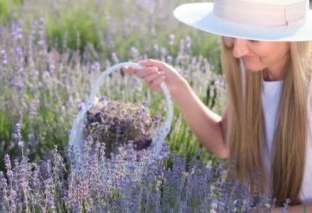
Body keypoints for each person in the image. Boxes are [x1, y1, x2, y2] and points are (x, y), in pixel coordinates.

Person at [124, 0, 312, 211]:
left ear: (292, 36)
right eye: (231, 33)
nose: (238, 51)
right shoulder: (251, 72)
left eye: (253, 38)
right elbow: (225, 143)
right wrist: (176, 86)